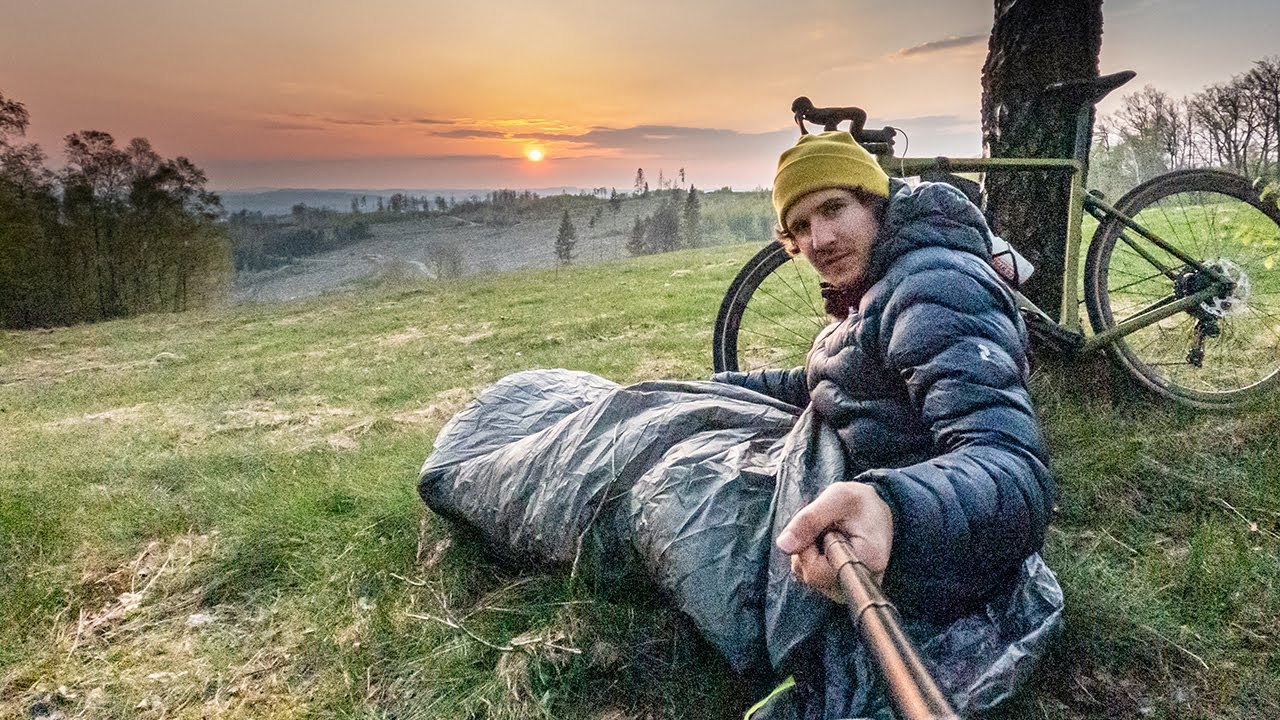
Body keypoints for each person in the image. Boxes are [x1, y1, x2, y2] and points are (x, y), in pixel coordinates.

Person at [714, 130, 1054, 623]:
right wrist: (720, 386)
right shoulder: (874, 289)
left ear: (874, 203)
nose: (820, 241)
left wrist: (893, 511)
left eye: (833, 209)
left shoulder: (933, 285)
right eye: (801, 226)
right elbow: (831, 380)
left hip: (934, 559)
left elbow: (1011, 468)